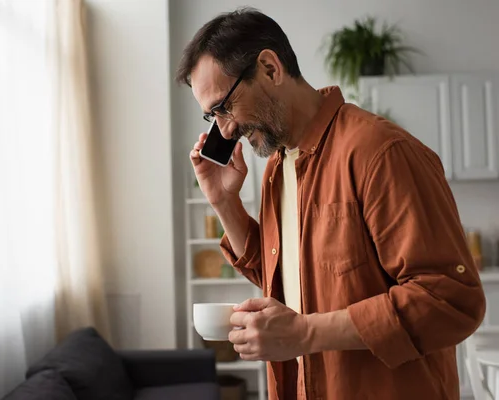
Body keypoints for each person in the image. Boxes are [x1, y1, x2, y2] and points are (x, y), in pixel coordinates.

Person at [175, 7, 486, 400]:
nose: (225, 129)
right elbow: (288, 282)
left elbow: (452, 300)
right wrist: (224, 203)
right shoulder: (277, 167)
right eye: (211, 117)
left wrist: (304, 334)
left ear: (270, 68)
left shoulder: (381, 152)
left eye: (224, 106)